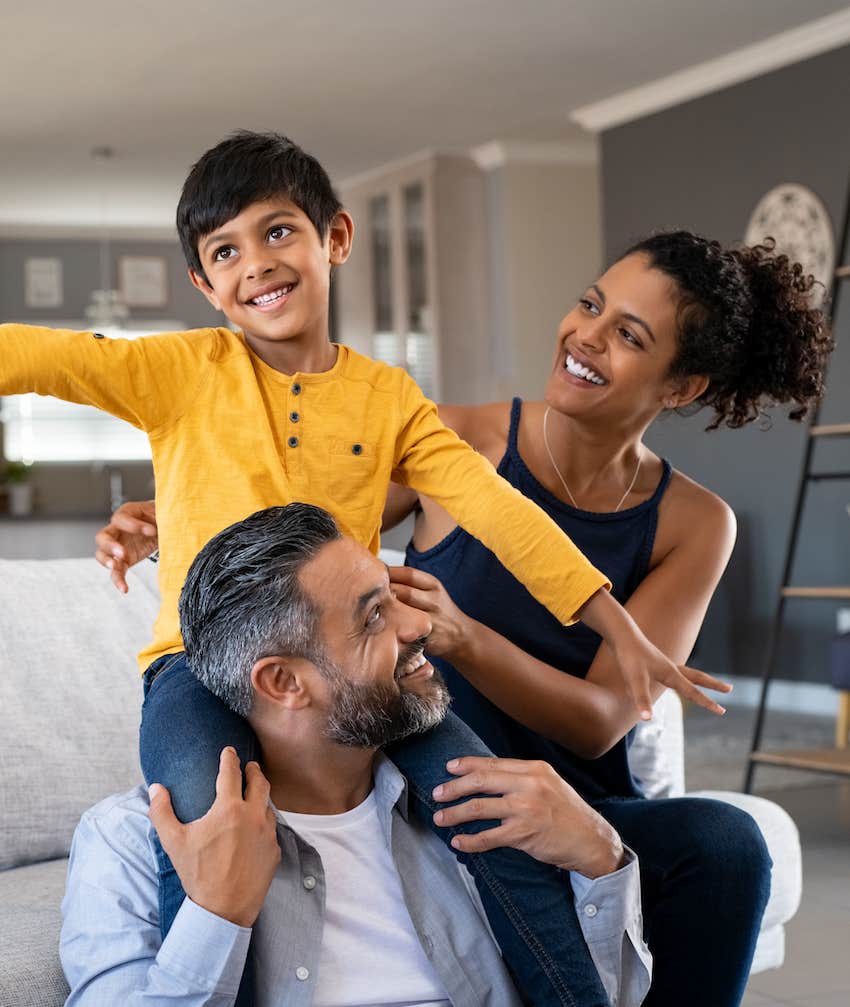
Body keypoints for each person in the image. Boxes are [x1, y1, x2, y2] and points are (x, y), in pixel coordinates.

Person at [1, 132, 724, 1007]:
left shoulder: (390, 400)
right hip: (194, 669)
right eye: (224, 252)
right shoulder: (179, 371)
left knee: (487, 814)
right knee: (201, 818)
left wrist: (618, 625)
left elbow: (501, 513)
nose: (257, 265)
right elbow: (40, 356)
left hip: (357, 671)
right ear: (203, 284)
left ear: (335, 237)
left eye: (278, 233)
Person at [101, 230, 832, 1006]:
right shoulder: (456, 438)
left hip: (567, 795)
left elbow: (598, 722)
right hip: (427, 788)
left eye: (628, 334)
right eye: (590, 304)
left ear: (681, 387)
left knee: (728, 845)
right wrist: (172, 520)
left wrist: (463, 638)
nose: (586, 335)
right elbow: (307, 539)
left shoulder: (694, 522)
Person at [60, 503, 652, 1006]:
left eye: (396, 598)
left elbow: (598, 993)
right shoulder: (129, 842)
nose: (422, 624)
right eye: (375, 617)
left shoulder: (479, 809)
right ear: (285, 683)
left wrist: (600, 859)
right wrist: (216, 914)